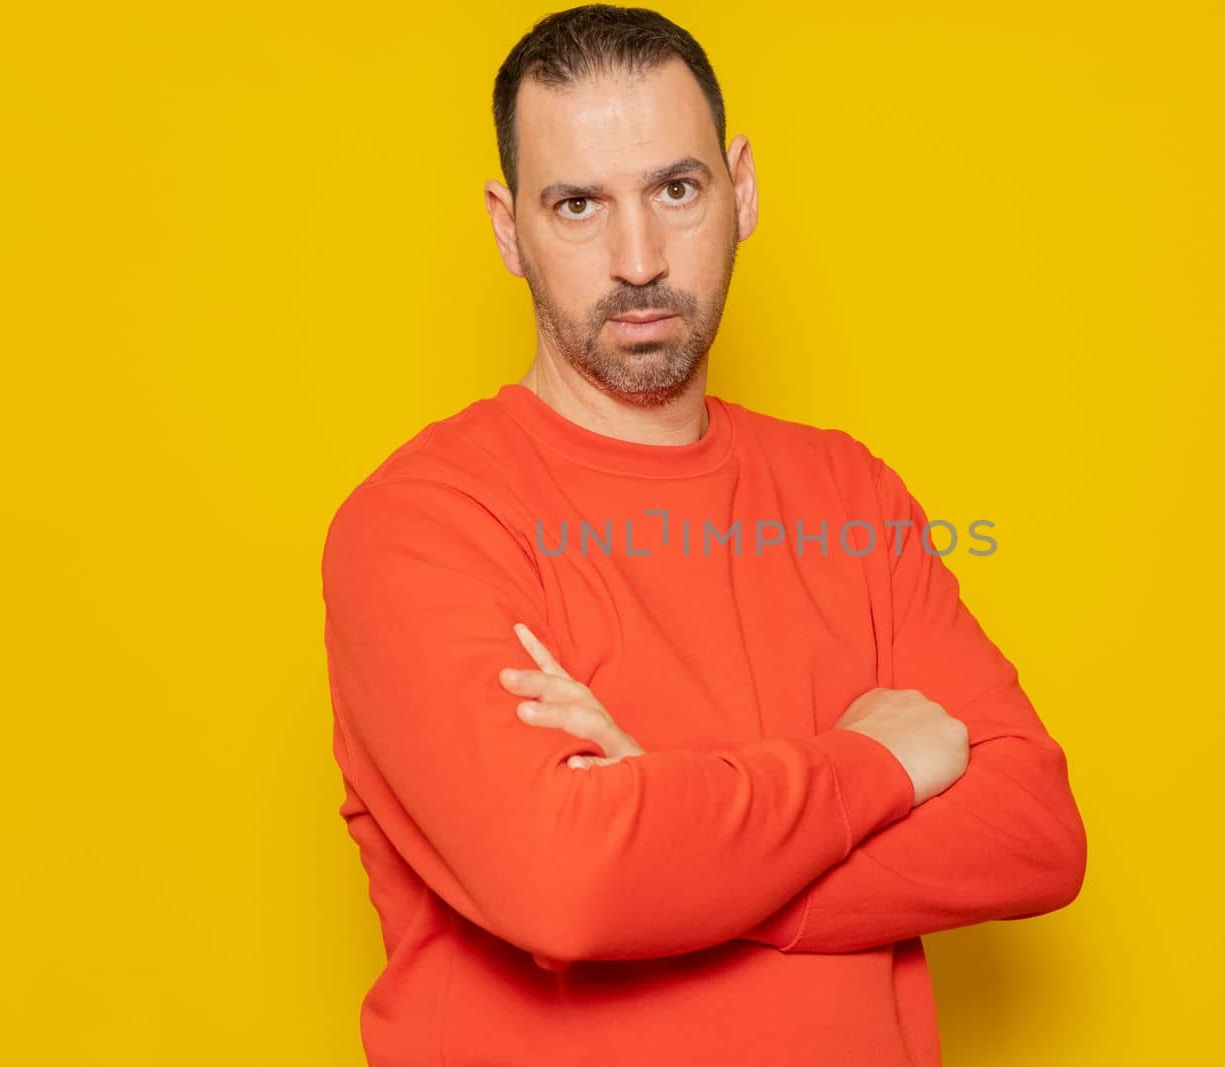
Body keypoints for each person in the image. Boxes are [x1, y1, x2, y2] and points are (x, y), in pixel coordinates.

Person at [319, 5, 1086, 1064]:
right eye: (579, 203)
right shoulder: (423, 524)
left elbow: (1032, 832)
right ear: (508, 227)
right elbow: (572, 884)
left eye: (675, 189)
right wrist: (875, 763)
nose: (637, 257)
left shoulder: (844, 492)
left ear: (742, 188)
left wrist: (680, 827)